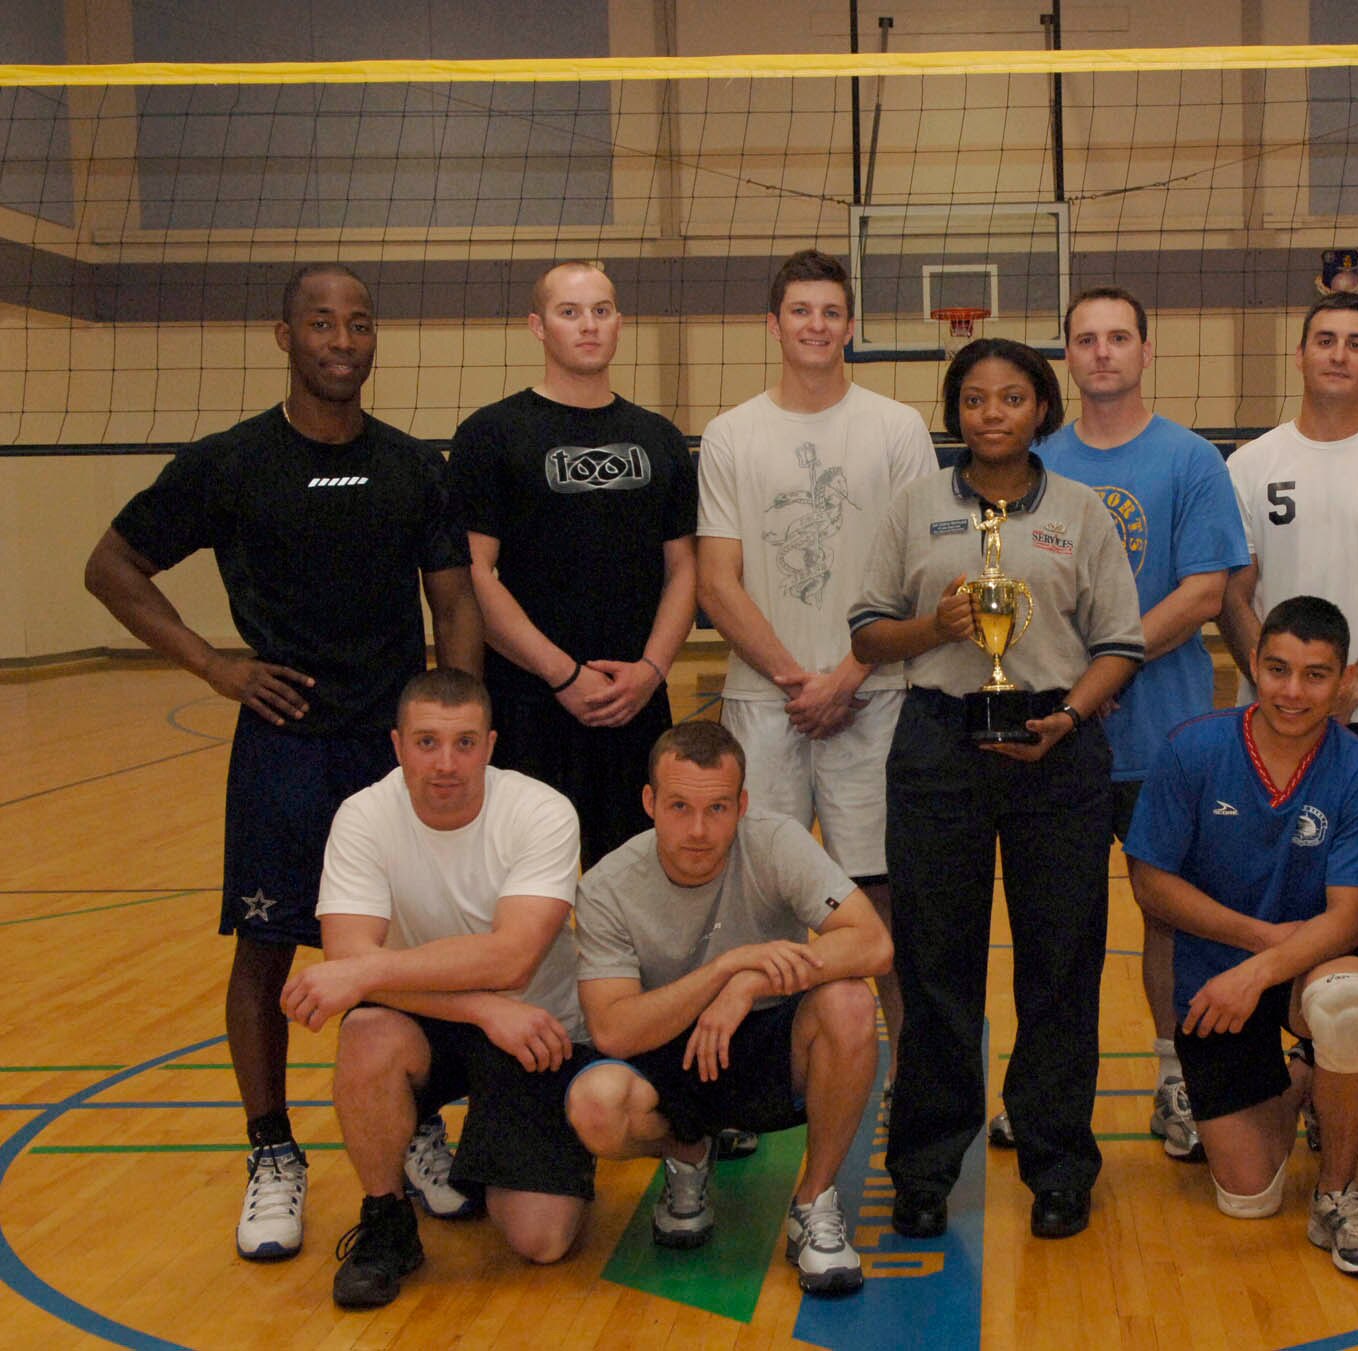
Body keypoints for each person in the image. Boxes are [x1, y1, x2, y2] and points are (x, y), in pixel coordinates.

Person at [81, 263, 481, 1263]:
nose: (342, 339)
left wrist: (457, 727)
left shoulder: (410, 466)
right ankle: (273, 1154)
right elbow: (111, 566)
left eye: (358, 322)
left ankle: (413, 1122)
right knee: (264, 951)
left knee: (402, 951)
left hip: (388, 749)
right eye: (321, 322)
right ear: (283, 336)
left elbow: (454, 601)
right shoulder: (230, 463)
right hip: (284, 748)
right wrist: (216, 664)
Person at [849, 338, 1144, 1240]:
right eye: (974, 400)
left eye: (1011, 398)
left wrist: (1070, 720)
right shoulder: (911, 506)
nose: (992, 414)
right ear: (956, 413)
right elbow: (866, 639)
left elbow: (1120, 644)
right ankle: (928, 1166)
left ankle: (1059, 1163)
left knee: (1062, 963)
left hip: (1055, 740)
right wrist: (927, 627)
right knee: (935, 963)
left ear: (1042, 410)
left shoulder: (1084, 511)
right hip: (940, 740)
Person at [696, 248, 934, 1121]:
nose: (817, 326)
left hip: (875, 694)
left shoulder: (896, 427)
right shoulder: (731, 433)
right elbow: (718, 580)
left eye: (832, 312)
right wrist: (801, 679)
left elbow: (919, 568)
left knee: (880, 890)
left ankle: (914, 1077)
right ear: (775, 323)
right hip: (767, 702)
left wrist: (847, 675)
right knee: (757, 894)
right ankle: (758, 1083)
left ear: (849, 325)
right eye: (801, 311)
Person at [280, 669, 594, 1309]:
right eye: (427, 743)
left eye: (464, 743)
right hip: (454, 1020)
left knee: (543, 1241)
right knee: (366, 1035)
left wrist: (367, 971)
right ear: (397, 745)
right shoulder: (364, 816)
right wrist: (479, 1010)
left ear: (490, 744)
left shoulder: (540, 811)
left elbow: (511, 959)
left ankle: (520, 1146)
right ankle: (386, 1219)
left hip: (538, 1032)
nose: (446, 763)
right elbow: (347, 961)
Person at [1025, 284, 1249, 1163]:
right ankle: (1047, 1098)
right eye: (1086, 339)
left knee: (1176, 916)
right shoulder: (1037, 460)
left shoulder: (1191, 460)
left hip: (1169, 736)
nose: (1104, 352)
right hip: (1065, 738)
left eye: (1120, 337)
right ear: (1069, 357)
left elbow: (1203, 591)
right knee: (1058, 932)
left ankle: (1177, 1080)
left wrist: (1104, 665)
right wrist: (1078, 684)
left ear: (1146, 351)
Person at [1218, 292, 1358, 1135]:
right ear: (1302, 353)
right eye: (1325, 339)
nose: (1339, 354)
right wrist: (1281, 683)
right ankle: (1275, 1054)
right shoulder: (1247, 465)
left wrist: (1346, 688)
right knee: (1270, 886)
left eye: (1357, 343)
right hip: (1266, 716)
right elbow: (1232, 592)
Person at [562, 721, 892, 1295]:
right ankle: (685, 1151)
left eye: (717, 808)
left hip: (765, 1039)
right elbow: (613, 1029)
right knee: (595, 1106)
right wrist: (723, 971)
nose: (697, 829)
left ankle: (814, 1201)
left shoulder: (776, 840)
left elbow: (873, 943)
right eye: (679, 807)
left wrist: (748, 983)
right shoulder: (608, 885)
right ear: (650, 803)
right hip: (665, 1052)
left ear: (741, 805)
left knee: (850, 1004)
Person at [1126, 596, 1358, 1277]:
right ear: (1253, 664)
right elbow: (1150, 883)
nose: (1292, 690)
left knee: (1349, 1005)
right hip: (1215, 980)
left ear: (1342, 681)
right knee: (1248, 1196)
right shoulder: (1193, 749)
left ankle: (1337, 1192)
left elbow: (1350, 919)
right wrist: (1254, 944)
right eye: (1278, 669)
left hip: (1308, 966)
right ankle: (1311, 1078)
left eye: (1315, 674)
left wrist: (1262, 968)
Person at [448, 259, 698, 869]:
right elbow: (476, 573)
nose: (588, 326)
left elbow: (684, 569)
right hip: (532, 704)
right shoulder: (490, 435)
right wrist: (562, 675)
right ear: (538, 326)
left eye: (601, 311)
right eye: (570, 312)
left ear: (619, 322)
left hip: (635, 703)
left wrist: (651, 670)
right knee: (530, 892)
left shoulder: (660, 438)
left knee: (633, 886)